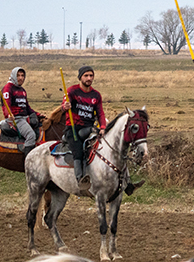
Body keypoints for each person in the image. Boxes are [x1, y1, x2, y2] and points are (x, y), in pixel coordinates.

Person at [61, 66, 144, 196]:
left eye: (91, 76)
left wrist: (103, 127)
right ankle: (80, 180)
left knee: (114, 150)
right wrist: (65, 107)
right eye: (86, 76)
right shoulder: (72, 91)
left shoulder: (96, 95)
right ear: (80, 77)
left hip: (90, 128)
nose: (89, 78)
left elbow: (100, 113)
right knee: (78, 152)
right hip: (73, 129)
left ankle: (127, 183)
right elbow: (64, 105)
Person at [0, 67, 42, 157]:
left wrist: (38, 114)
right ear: (13, 76)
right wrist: (9, 114)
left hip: (24, 118)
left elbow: (27, 108)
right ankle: (28, 162)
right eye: (18, 75)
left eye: (22, 75)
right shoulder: (8, 88)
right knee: (31, 135)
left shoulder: (22, 90)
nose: (20, 78)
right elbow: (6, 104)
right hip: (16, 119)